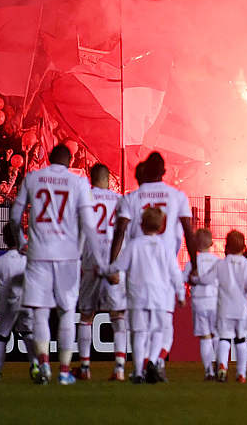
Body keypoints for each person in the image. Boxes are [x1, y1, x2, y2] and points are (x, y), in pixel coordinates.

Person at [9, 144, 99, 385]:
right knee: (67, 311)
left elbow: (14, 216)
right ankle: (65, 371)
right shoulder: (78, 183)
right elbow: (88, 225)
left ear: (49, 159)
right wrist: (91, 256)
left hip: (38, 254)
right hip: (68, 256)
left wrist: (20, 241)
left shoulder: (33, 178)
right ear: (69, 162)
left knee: (40, 311)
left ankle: (45, 366)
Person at [109, 151, 198, 374]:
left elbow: (119, 232)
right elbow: (189, 232)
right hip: (165, 271)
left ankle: (139, 370)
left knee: (139, 330)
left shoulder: (131, 198)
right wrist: (196, 266)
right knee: (162, 326)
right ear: (164, 172)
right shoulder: (178, 196)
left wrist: (112, 266)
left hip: (137, 270)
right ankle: (156, 363)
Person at [108, 206, 184, 384]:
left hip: (137, 296)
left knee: (139, 334)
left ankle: (138, 371)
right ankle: (152, 361)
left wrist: (106, 270)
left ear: (141, 224)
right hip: (159, 297)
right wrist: (180, 293)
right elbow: (175, 272)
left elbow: (119, 265)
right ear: (161, 227)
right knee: (157, 332)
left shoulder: (134, 245)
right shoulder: (166, 247)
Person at [75, 163, 128, 381]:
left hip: (90, 262)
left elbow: (78, 232)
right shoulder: (120, 200)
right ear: (107, 179)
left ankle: (85, 368)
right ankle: (120, 368)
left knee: (87, 315)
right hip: (114, 262)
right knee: (118, 316)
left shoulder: (84, 199)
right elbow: (126, 233)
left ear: (91, 178)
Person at [199, 230, 247, 383]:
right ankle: (241, 374)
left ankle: (222, 365)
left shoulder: (220, 264)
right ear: (244, 247)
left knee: (224, 339)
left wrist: (194, 277)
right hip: (241, 310)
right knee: (240, 340)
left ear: (226, 247)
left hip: (224, 308)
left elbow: (206, 279)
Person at [0, 222, 33, 382]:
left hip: (8, 303)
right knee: (28, 333)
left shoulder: (1, 261)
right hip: (26, 301)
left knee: (2, 336)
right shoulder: (28, 259)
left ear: (4, 239)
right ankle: (36, 364)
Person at [187, 229, 221, 380]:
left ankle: (208, 370)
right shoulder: (218, 261)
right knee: (218, 336)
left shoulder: (192, 262)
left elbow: (183, 278)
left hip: (199, 302)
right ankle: (221, 366)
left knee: (205, 337)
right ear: (212, 243)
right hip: (215, 302)